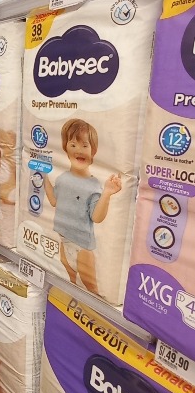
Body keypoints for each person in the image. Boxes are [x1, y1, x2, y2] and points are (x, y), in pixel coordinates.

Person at [44, 118, 121, 295]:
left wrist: (107, 194)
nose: (79, 150)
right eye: (73, 145)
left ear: (93, 151)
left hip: (82, 247)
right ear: (65, 148)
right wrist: (44, 178)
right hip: (64, 241)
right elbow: (54, 201)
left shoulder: (93, 185)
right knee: (69, 280)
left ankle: (94, 309)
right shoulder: (62, 178)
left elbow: (96, 217)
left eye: (85, 146)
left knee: (91, 287)